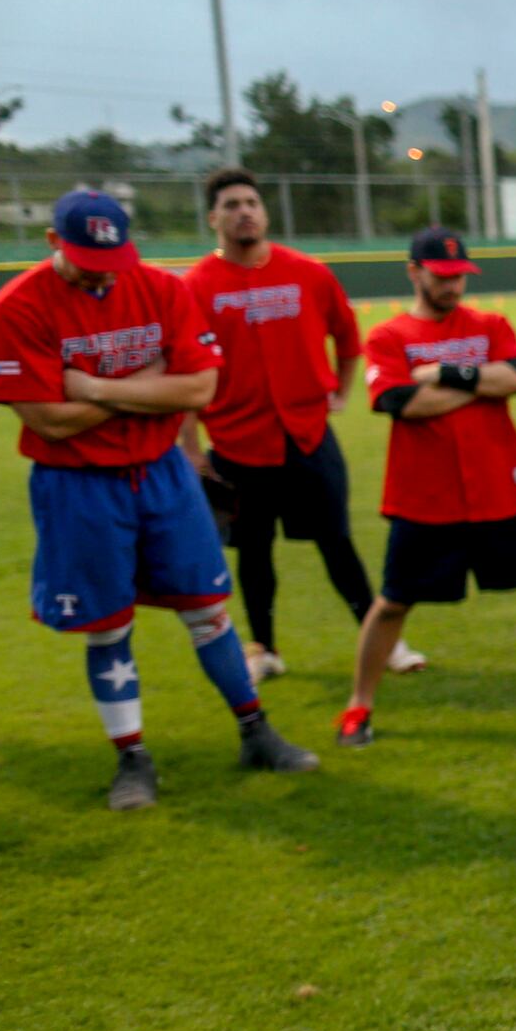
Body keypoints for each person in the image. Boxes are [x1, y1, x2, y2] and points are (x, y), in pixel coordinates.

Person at [0, 191, 319, 808]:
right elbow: (49, 420)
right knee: (107, 624)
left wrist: (92, 384)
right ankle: (132, 758)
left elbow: (198, 386)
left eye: (112, 257)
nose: (102, 271)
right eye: (85, 258)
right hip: (77, 483)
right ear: (54, 242)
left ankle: (255, 730)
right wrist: (146, 384)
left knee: (208, 607)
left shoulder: (160, 288)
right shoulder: (18, 306)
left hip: (161, 472)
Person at [335, 228, 516, 746]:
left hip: (501, 485)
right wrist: (477, 386)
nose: (453, 287)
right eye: (442, 276)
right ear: (414, 272)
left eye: (459, 277)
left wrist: (442, 374)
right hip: (425, 496)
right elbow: (403, 405)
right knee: (393, 604)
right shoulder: (388, 337)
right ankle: (359, 706)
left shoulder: (490, 323)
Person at [180, 165, 421, 683]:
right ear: (213, 219)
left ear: (264, 212)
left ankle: (383, 641)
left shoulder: (307, 272)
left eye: (251, 202)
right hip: (238, 443)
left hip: (307, 436)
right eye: (231, 205)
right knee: (254, 551)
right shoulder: (196, 286)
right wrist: (192, 449)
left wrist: (340, 392)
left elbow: (348, 337)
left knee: (337, 541)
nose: (244, 212)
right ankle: (264, 647)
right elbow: (186, 372)